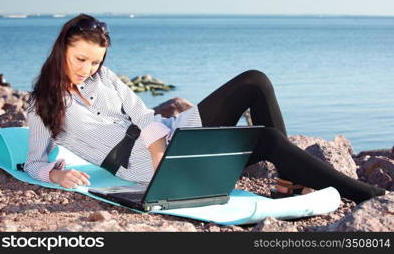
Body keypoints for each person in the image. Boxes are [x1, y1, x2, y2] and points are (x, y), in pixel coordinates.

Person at [25, 13, 386, 204]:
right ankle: (370, 196)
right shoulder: (42, 104)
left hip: (171, 136)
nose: (87, 69)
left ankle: (288, 182)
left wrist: (158, 146)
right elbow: (34, 160)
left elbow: (144, 115)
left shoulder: (105, 79)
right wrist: (56, 175)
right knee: (269, 141)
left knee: (254, 81)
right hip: (141, 168)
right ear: (61, 49)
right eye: (80, 59)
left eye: (95, 61)